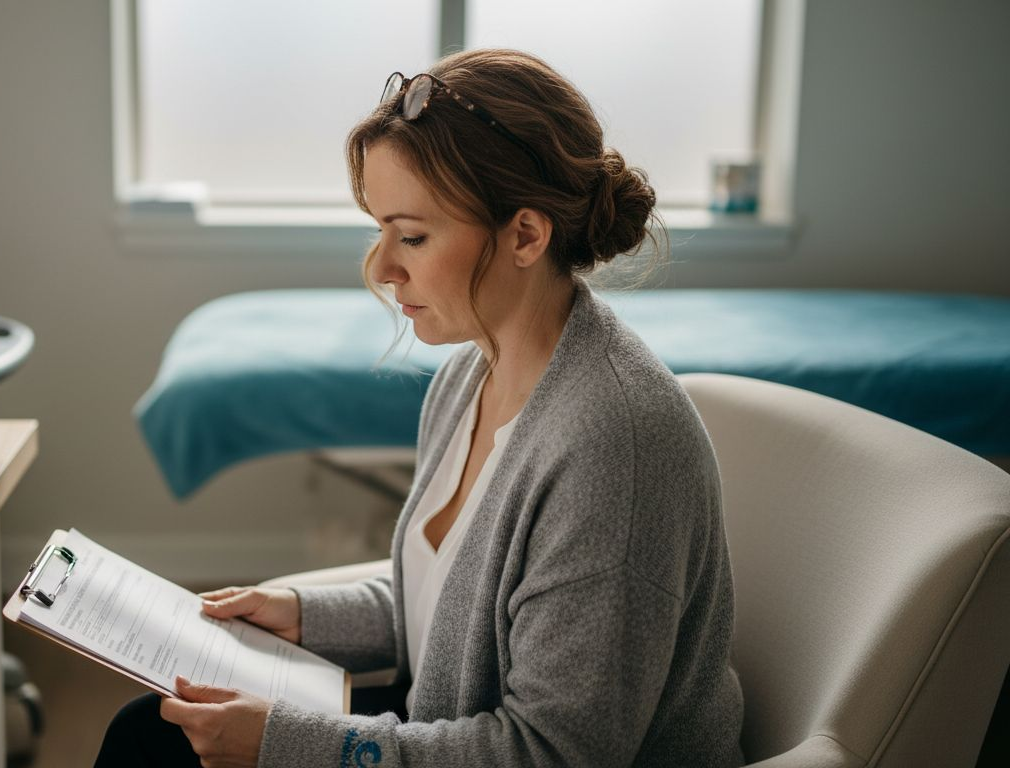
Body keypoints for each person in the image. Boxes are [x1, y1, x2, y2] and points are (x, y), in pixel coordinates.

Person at [97, 47, 744, 768]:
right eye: (379, 231)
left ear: (526, 235)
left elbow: (555, 754)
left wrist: (284, 745)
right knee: (151, 727)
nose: (380, 268)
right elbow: (450, 605)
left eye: (412, 236)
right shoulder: (470, 375)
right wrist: (301, 616)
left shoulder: (611, 447)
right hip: (445, 724)